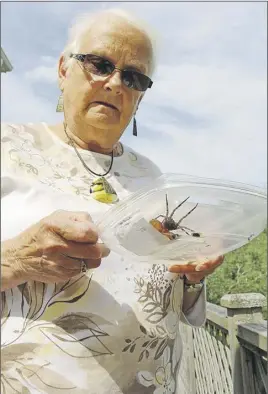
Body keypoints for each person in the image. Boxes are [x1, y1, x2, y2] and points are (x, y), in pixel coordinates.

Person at [1, 8, 224, 394]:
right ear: (62, 69)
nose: (115, 83)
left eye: (134, 76)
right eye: (100, 64)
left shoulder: (153, 177)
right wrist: (16, 259)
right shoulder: (7, 148)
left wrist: (191, 277)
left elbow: (170, 291)